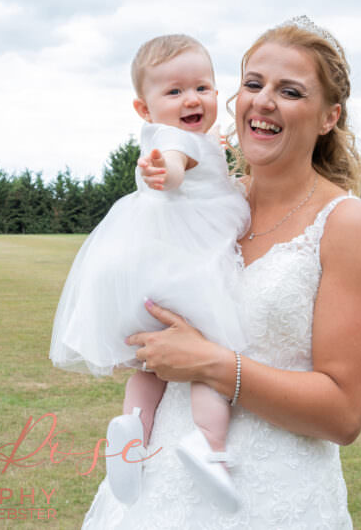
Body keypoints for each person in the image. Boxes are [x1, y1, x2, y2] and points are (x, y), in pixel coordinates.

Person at [81, 16, 361, 528]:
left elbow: (344, 414)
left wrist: (211, 364)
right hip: (155, 491)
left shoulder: (348, 224)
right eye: (253, 83)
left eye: (290, 91)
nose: (263, 100)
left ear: (328, 117)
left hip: (273, 499)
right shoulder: (211, 201)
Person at [49, 34, 250, 510]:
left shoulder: (190, 139)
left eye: (202, 87)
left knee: (149, 368)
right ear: (144, 108)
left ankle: (130, 435)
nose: (192, 99)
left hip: (149, 273)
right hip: (185, 273)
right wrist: (170, 173)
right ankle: (209, 445)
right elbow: (176, 165)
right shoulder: (176, 144)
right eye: (174, 91)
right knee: (209, 353)